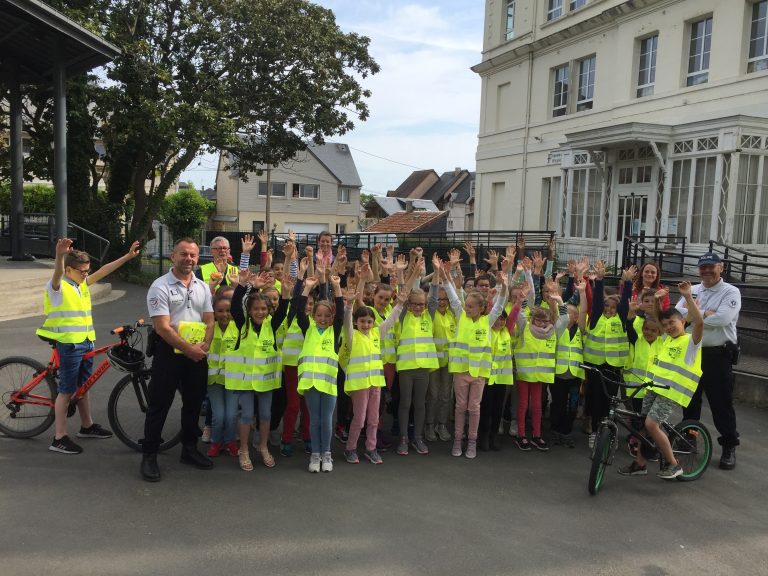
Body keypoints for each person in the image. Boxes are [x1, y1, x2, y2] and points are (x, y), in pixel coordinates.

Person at [38, 238, 140, 454]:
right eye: (82, 271)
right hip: (68, 344)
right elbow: (56, 273)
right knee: (66, 391)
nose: (86, 274)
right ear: (69, 269)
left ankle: (87, 426)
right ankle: (59, 438)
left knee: (84, 387)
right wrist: (59, 255)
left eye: (87, 270)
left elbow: (104, 270)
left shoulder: (80, 284)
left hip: (85, 341)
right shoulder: (58, 286)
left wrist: (128, 256)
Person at [140, 238, 214, 482]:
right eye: (184, 254)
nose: (189, 259)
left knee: (193, 404)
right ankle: (149, 455)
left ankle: (189, 449)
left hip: (196, 354)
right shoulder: (160, 286)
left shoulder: (202, 287)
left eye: (193, 255)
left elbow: (210, 320)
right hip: (169, 354)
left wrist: (205, 345)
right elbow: (162, 327)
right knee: (159, 405)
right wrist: (188, 349)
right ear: (173, 256)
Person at [619, 281, 704, 479]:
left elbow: (699, 322)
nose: (668, 327)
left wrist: (688, 296)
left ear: (683, 322)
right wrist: (657, 301)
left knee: (651, 425)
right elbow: (657, 317)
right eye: (665, 326)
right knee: (643, 425)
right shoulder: (667, 339)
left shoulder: (691, 342)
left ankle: (674, 464)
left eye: (672, 323)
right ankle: (640, 463)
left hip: (671, 390)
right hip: (654, 387)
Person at [675, 253, 741, 470]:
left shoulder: (731, 292)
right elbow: (678, 315)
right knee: (690, 402)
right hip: (693, 353)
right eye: (703, 268)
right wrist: (704, 313)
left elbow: (723, 319)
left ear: (720, 268)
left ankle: (729, 445)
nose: (707, 271)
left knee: (721, 405)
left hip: (718, 356)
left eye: (711, 267)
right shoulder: (691, 290)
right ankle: (690, 438)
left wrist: (694, 314)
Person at [445, 261, 508, 459]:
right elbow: (453, 297)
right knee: (460, 407)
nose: (467, 308)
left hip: (479, 374)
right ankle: (458, 440)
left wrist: (504, 284)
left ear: (482, 308)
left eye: (471, 306)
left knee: (474, 408)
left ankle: (471, 441)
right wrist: (444, 274)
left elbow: (500, 305)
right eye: (466, 305)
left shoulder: (487, 321)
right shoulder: (460, 315)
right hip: (461, 372)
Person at [296, 273, 344, 473]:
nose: (322, 319)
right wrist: (306, 288)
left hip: (328, 385)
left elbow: (341, 313)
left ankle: (327, 454)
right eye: (319, 315)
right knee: (314, 420)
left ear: (332, 318)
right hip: (310, 384)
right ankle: (315, 454)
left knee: (326, 421)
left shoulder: (334, 332)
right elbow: (299, 311)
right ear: (313, 316)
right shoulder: (308, 329)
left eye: (327, 316)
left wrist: (337, 287)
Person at [205, 293, 239, 459]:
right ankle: (216, 442)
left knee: (231, 415)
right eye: (220, 311)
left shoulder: (238, 328)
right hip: (214, 380)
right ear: (213, 312)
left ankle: (230, 441)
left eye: (228, 310)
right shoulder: (209, 328)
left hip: (233, 380)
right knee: (219, 415)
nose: (224, 314)